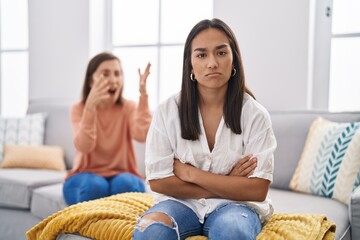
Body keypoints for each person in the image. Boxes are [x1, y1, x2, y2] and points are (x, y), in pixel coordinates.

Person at [133, 18, 277, 240]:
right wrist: (229, 181)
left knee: (233, 232)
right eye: (201, 55)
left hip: (235, 206)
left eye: (221, 53)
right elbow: (159, 181)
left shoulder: (255, 115)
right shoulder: (167, 111)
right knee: (151, 232)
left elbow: (257, 190)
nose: (212, 63)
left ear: (234, 59)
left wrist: (191, 174)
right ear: (190, 64)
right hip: (178, 204)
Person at [63, 52, 152, 205]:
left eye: (117, 74)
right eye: (105, 74)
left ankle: (119, 228)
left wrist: (143, 96)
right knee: (95, 186)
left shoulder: (128, 107)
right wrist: (90, 107)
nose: (113, 80)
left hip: (123, 174)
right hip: (85, 174)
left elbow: (142, 135)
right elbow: (84, 146)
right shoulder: (78, 109)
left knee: (126, 185)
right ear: (91, 81)